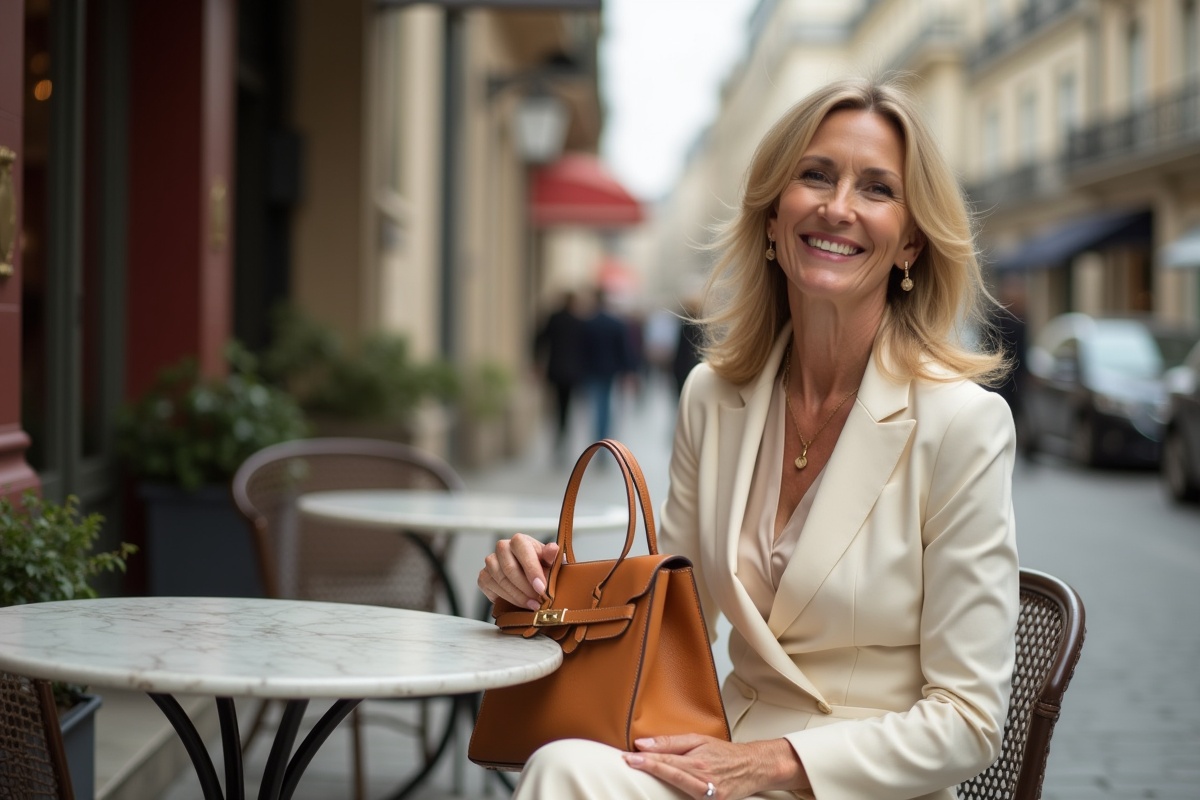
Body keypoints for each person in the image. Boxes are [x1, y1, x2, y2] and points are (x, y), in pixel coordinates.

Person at [480, 76, 1018, 800]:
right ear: (771, 219)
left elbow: (969, 721)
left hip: (859, 782)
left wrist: (773, 763)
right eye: (816, 175)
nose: (838, 207)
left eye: (877, 189)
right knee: (562, 766)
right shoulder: (714, 397)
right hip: (717, 754)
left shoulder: (962, 423)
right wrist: (540, 589)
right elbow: (670, 620)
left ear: (912, 244)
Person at [534, 292, 587, 462]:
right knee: (567, 407)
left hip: (556, 370)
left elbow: (539, 340)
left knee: (558, 407)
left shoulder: (554, 319)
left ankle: (560, 438)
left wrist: (537, 362)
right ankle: (563, 438)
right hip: (572, 372)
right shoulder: (578, 322)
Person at [579, 288, 636, 442]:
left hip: (592, 370)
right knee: (605, 404)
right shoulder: (615, 323)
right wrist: (628, 370)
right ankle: (603, 438)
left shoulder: (588, 323)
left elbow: (582, 349)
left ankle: (600, 437)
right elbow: (624, 349)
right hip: (610, 370)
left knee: (597, 404)